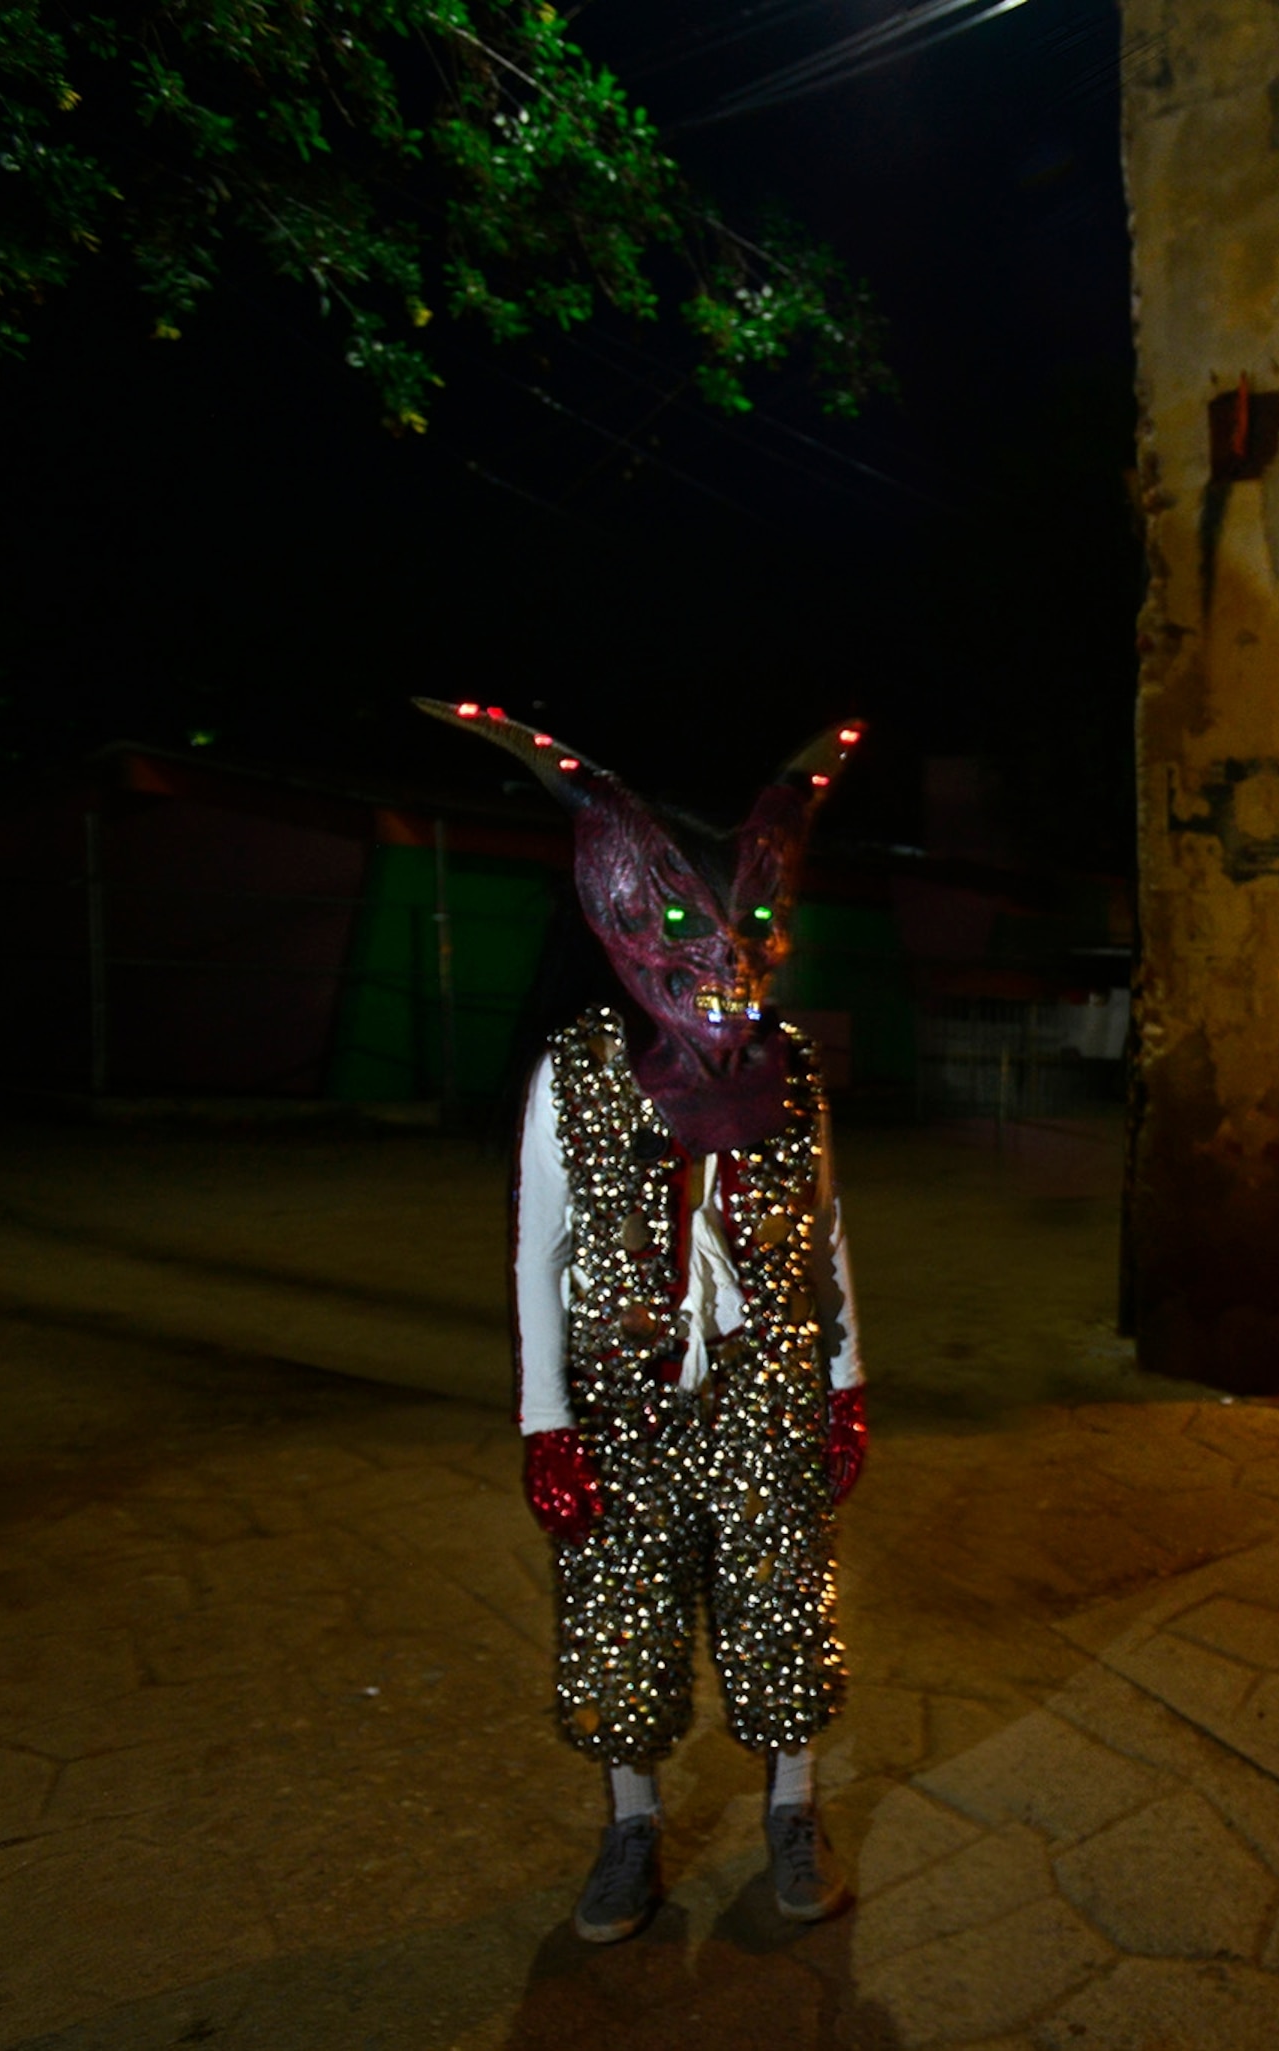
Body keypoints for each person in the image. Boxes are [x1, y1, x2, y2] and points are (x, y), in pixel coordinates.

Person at [422, 698, 869, 1942]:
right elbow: (538, 1250)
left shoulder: (790, 1070)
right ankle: (630, 1824)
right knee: (620, 1615)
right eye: (693, 926)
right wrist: (546, 1418)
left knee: (783, 1600)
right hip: (621, 1397)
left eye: (747, 926)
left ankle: (792, 1805)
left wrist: (844, 1377)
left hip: (769, 1381)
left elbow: (824, 1231)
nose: (725, 959)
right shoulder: (576, 1070)